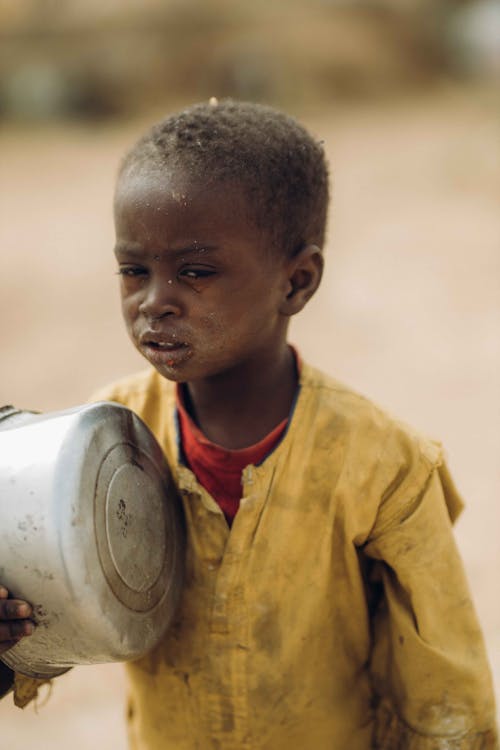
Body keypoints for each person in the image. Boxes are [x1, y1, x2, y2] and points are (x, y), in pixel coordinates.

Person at [0, 100, 497, 748]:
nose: (155, 301)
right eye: (133, 270)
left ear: (296, 282)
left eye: (195, 272)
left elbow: (447, 693)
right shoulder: (101, 449)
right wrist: (15, 640)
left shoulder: (383, 466)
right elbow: (47, 622)